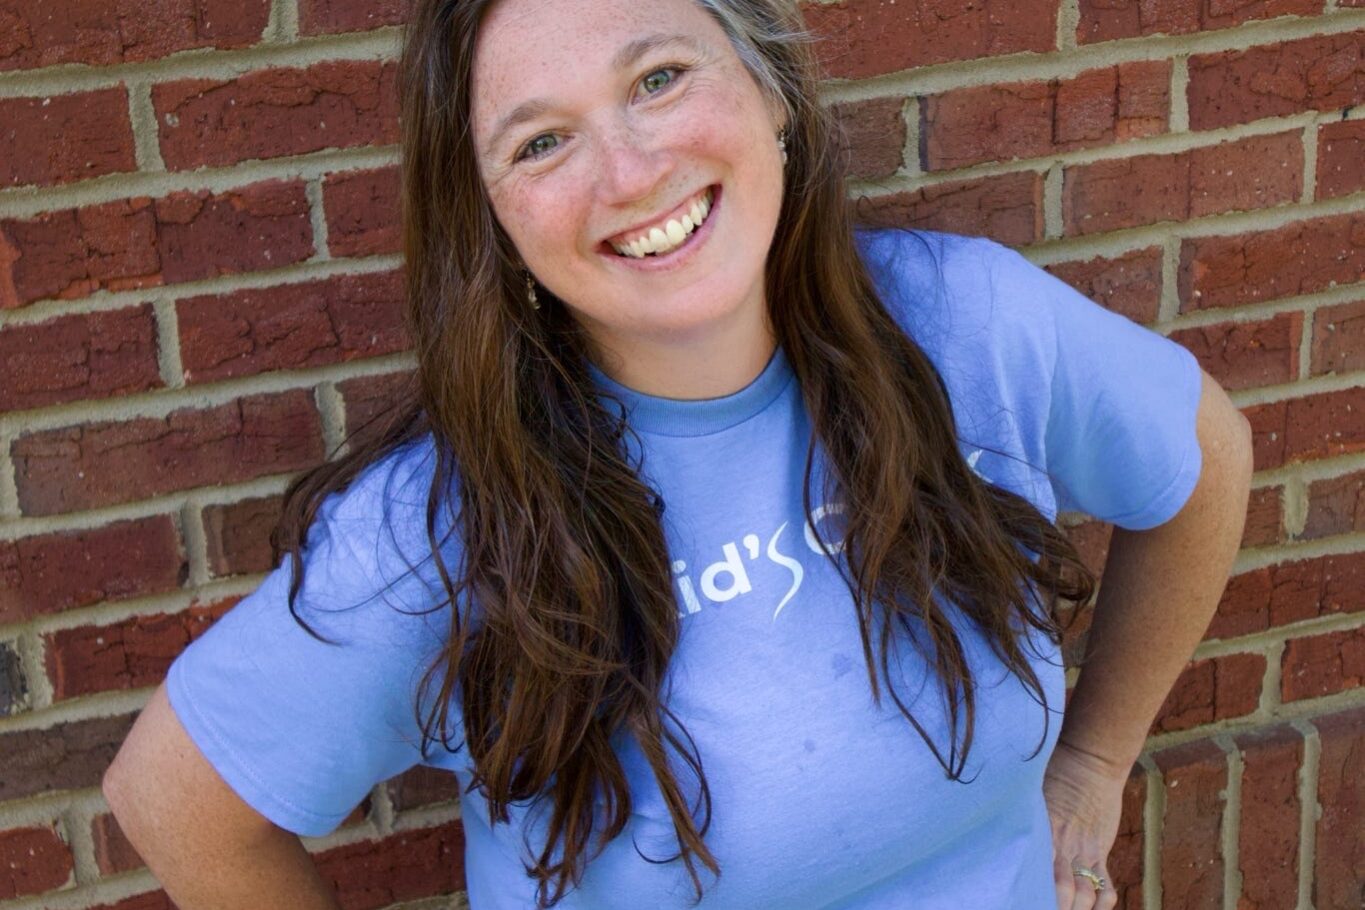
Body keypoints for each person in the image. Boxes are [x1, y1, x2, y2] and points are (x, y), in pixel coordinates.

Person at [101, 0, 1254, 908]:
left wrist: (1095, 765)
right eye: (542, 141)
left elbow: (1209, 457)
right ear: (494, 221)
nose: (629, 169)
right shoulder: (442, 527)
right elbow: (177, 802)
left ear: (773, 95)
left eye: (658, 78)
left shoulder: (966, 330)